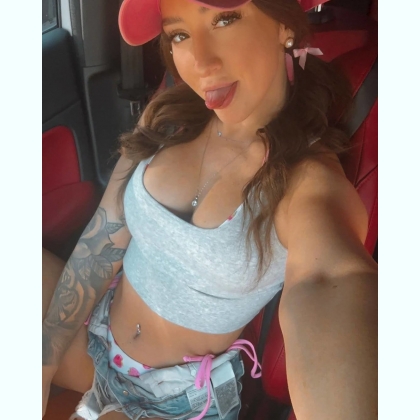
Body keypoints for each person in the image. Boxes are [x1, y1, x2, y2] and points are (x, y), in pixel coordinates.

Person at [42, 0, 378, 419]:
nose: (201, 62)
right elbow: (105, 230)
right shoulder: (167, 115)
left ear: (284, 25)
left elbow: (331, 280)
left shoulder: (305, 181)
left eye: (224, 19)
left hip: (172, 403)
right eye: (180, 34)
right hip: (96, 342)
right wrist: (43, 360)